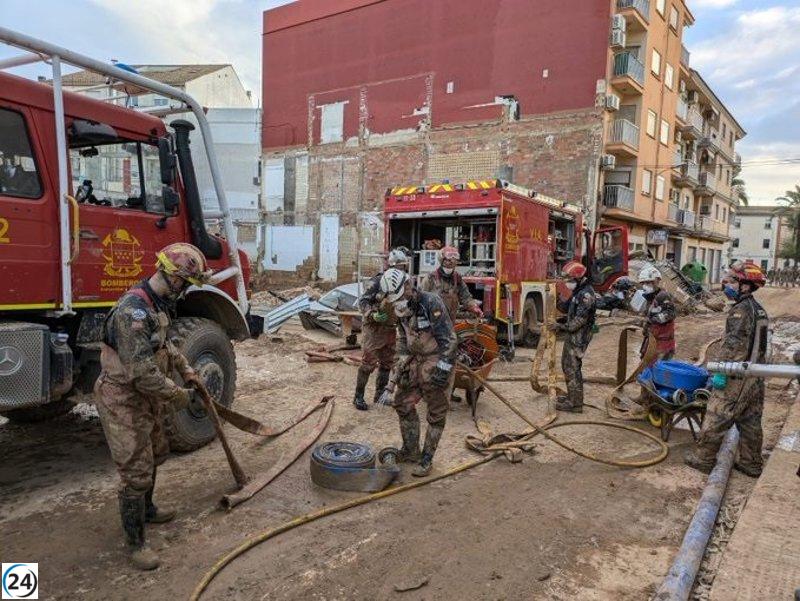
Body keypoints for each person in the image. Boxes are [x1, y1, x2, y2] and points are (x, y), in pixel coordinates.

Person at [95, 243, 210, 570]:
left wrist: (187, 370)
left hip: (146, 394)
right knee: (136, 470)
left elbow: (165, 345)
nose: (185, 290)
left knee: (157, 451)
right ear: (174, 278)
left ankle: (147, 509)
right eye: (186, 283)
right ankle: (136, 544)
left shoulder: (156, 303)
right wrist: (181, 396)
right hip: (123, 396)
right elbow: (142, 373)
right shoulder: (133, 312)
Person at [685, 263, 769, 477]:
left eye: (732, 280)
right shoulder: (758, 309)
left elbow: (733, 347)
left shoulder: (740, 311)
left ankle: (703, 458)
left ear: (745, 286)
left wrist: (720, 372)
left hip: (737, 375)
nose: (726, 284)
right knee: (750, 420)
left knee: (717, 413)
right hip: (755, 375)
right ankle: (751, 463)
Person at [377, 268, 458, 477]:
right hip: (415, 360)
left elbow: (449, 340)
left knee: (436, 412)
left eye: (400, 297)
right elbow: (403, 339)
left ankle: (426, 458)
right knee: (402, 403)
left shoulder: (431, 303)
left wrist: (444, 369)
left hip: (436, 359)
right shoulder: (401, 309)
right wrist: (400, 363)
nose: (398, 302)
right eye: (394, 300)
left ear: (408, 285)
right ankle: (411, 450)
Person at [352, 248, 410, 411]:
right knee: (368, 363)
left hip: (390, 327)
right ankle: (358, 397)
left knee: (387, 363)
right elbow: (363, 302)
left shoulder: (405, 282)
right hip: (374, 328)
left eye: (402, 266)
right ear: (390, 266)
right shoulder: (378, 281)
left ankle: (379, 396)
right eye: (398, 266)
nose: (400, 269)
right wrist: (372, 314)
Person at [552, 261, 596, 413]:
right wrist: (556, 298)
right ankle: (573, 397)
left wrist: (560, 326)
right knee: (568, 366)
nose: (567, 282)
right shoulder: (578, 291)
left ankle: (575, 404)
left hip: (579, 337)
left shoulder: (586, 295)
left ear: (578, 278)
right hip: (573, 336)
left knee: (572, 368)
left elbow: (579, 321)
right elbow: (566, 308)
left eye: (569, 279)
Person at [420, 246, 483, 323]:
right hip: (433, 322)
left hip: (450, 323)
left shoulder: (458, 279)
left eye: (454, 260)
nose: (451, 262)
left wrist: (473, 307)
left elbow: (466, 298)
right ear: (442, 260)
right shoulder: (430, 279)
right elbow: (421, 300)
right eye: (448, 260)